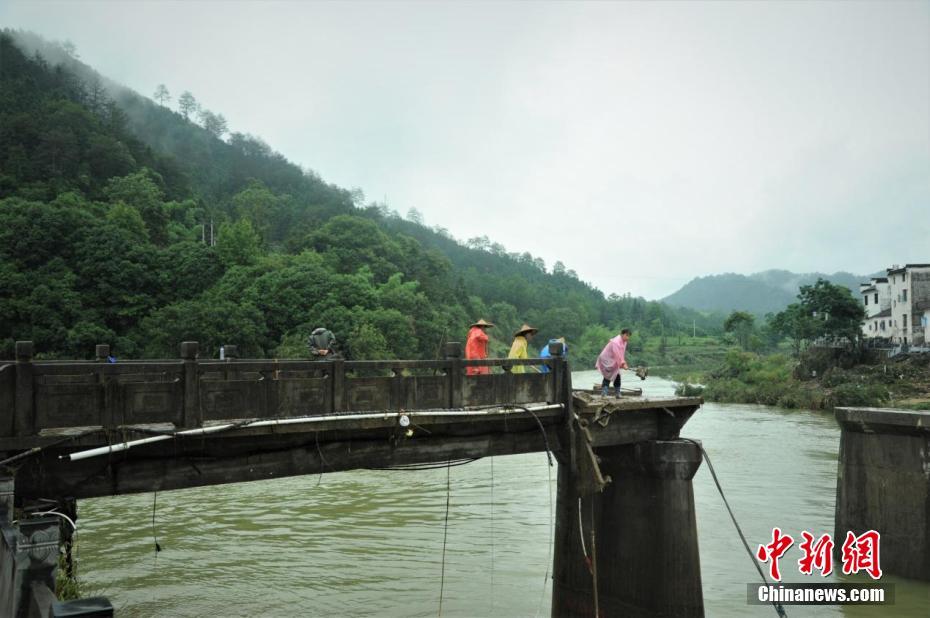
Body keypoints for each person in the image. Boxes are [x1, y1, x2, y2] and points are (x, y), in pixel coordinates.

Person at [596, 328, 631, 396]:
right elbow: (617, 354)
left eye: (629, 336)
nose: (628, 337)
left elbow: (621, 354)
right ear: (622, 334)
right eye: (627, 335)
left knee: (616, 374)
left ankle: (615, 393)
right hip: (606, 359)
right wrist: (622, 364)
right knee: (610, 374)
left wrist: (624, 363)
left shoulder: (624, 342)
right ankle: (607, 393)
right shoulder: (616, 342)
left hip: (613, 359)